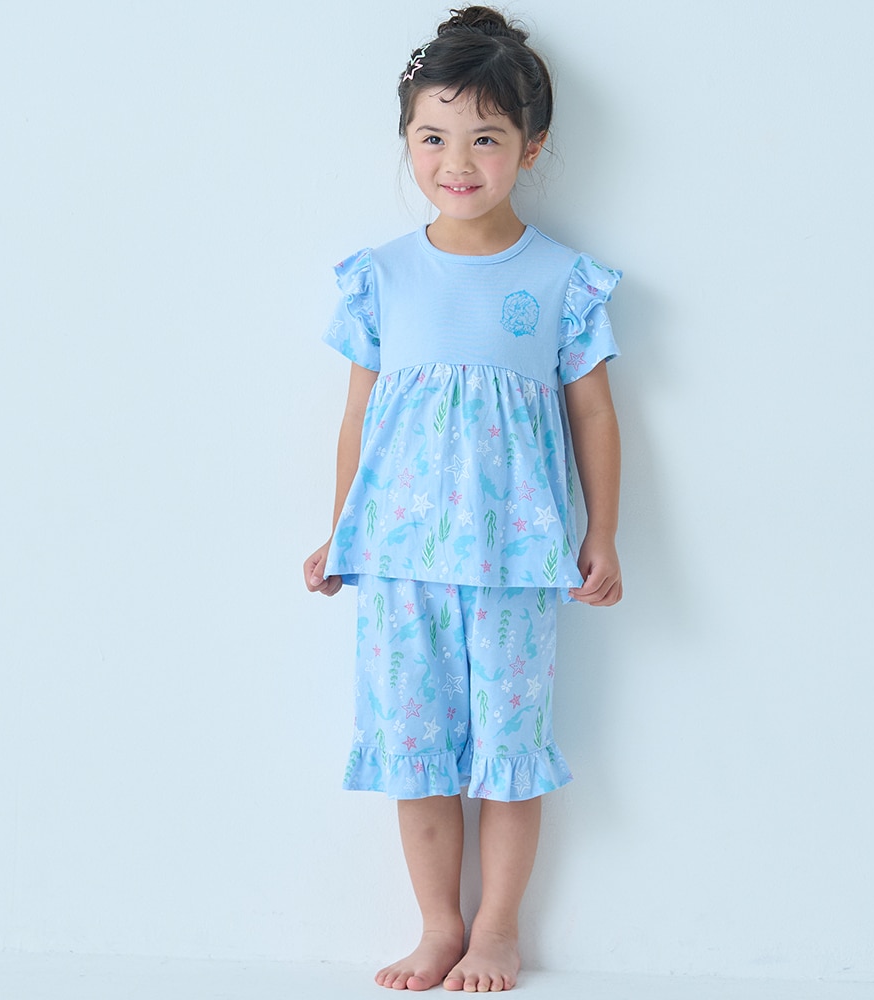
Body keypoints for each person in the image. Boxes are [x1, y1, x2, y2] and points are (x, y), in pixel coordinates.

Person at [303, 6, 622, 992]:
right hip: (399, 559)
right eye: (433, 137)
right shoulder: (382, 277)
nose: (457, 161)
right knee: (416, 750)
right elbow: (358, 417)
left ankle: (497, 931)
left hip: (516, 563)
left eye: (485, 138)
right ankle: (438, 925)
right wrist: (339, 529)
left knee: (509, 750)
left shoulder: (561, 280)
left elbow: (594, 416)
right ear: (407, 141)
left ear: (531, 146)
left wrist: (602, 535)